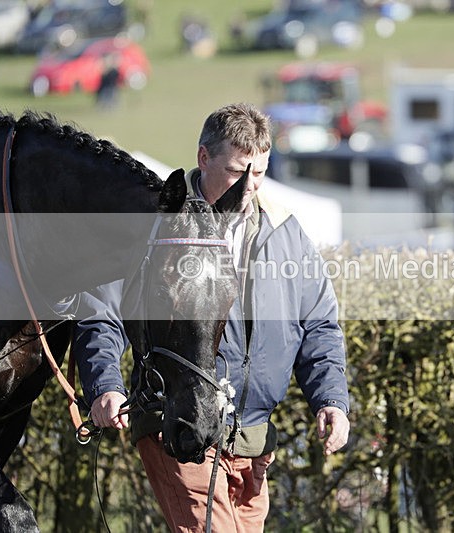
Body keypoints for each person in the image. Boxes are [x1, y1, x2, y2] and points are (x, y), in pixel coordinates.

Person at [73, 102, 351, 532]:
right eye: (239, 173)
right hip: (179, 426)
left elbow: (318, 325)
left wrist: (331, 399)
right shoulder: (158, 225)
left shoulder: (286, 235)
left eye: (259, 173)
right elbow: (101, 311)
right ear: (204, 159)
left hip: (255, 439)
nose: (251, 187)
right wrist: (104, 383)